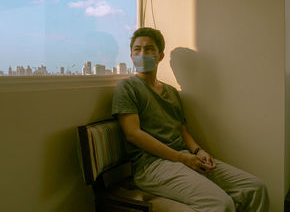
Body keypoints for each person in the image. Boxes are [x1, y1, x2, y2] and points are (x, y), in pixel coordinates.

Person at [112, 27, 269, 212]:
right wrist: (182, 158)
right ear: (131, 56)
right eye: (137, 49)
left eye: (149, 49)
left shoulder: (171, 92)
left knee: (255, 188)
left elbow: (182, 130)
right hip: (152, 165)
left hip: (184, 156)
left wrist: (198, 151)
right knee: (220, 204)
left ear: (160, 56)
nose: (142, 53)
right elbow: (133, 134)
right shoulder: (127, 87)